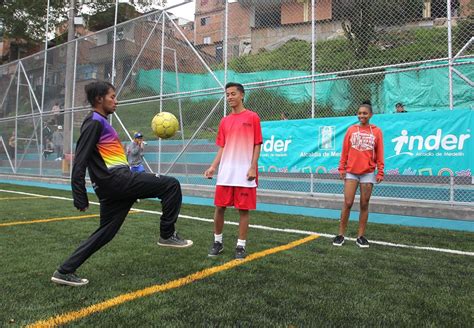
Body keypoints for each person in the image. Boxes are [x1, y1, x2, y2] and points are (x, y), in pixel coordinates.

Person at [51, 81, 192, 287]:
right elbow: (80, 160)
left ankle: (65, 270)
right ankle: (167, 234)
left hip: (113, 187)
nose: (116, 101)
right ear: (99, 99)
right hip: (118, 181)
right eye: (112, 97)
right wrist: (79, 194)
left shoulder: (100, 122)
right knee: (170, 185)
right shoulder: (94, 123)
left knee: (106, 233)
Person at [204, 82, 263, 260]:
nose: (229, 97)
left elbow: (257, 144)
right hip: (226, 173)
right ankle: (218, 242)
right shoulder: (224, 121)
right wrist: (213, 166)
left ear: (242, 95)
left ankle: (240, 246)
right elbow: (222, 147)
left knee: (243, 211)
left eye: (233, 94)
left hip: (245, 174)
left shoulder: (253, 117)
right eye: (227, 94)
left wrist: (253, 166)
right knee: (219, 208)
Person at [333, 101, 384, 248]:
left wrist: (380, 170)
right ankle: (341, 234)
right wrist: (342, 168)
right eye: (360, 113)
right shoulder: (351, 130)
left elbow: (380, 152)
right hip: (351, 172)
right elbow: (345, 150)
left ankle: (360, 236)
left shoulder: (377, 131)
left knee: (364, 204)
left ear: (371, 115)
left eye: (365, 113)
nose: (362, 115)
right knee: (347, 203)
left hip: (368, 173)